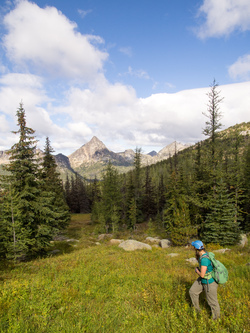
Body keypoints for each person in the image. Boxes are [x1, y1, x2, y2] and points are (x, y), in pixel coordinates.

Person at [189, 240, 220, 320]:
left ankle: (216, 319)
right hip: (203, 280)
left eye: (194, 247)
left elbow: (202, 275)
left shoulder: (204, 259)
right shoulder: (203, 254)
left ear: (195, 248)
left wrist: (197, 271)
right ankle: (197, 310)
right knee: (192, 291)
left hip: (209, 282)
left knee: (212, 302)